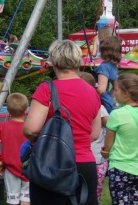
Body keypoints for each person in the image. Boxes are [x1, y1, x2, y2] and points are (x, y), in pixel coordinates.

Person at [23, 39, 101, 205]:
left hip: (52, 165)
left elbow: (31, 129)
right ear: (78, 60)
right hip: (84, 164)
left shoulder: (47, 89)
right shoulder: (92, 92)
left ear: (53, 61)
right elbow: (95, 133)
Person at [102, 73, 138, 205]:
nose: (114, 93)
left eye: (116, 90)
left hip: (120, 168)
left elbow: (108, 144)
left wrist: (106, 152)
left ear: (126, 93)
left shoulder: (117, 114)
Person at [0, 93, 29, 205]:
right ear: (26, 111)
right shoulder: (30, 127)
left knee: (13, 200)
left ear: (8, 111)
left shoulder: (2, 126)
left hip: (10, 168)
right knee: (26, 199)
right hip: (28, 167)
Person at [79, 71, 109, 204]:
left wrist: (108, 145)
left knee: (93, 194)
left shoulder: (98, 107)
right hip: (81, 157)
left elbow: (111, 125)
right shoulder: (76, 105)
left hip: (96, 159)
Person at [96, 35, 122, 113]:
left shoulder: (103, 67)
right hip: (110, 102)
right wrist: (110, 98)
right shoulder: (114, 66)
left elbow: (102, 89)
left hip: (103, 102)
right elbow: (116, 86)